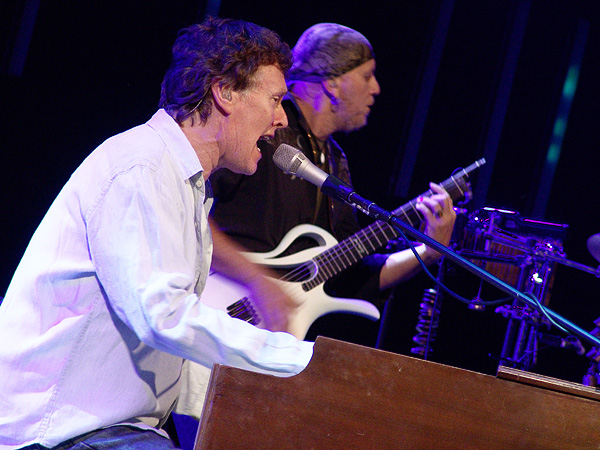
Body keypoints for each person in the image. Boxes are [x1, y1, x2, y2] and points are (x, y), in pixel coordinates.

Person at [0, 17, 314, 450]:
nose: (281, 119)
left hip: (118, 429)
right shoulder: (142, 166)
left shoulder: (183, 183)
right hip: (57, 431)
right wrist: (299, 359)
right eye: (275, 99)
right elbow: (163, 315)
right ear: (224, 92)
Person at [209, 23, 457, 336]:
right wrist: (257, 281)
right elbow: (193, 218)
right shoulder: (264, 134)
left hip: (271, 337)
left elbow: (350, 275)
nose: (376, 88)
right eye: (367, 76)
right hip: (215, 310)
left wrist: (429, 251)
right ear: (333, 82)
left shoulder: (336, 161)